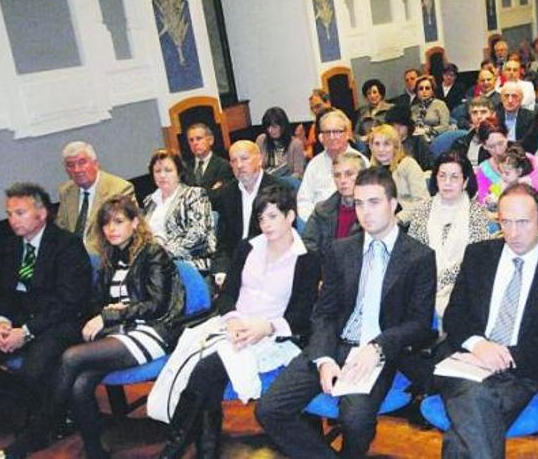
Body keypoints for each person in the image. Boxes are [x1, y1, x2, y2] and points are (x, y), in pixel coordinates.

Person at [255, 167, 436, 459]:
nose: (365, 211)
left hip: (379, 350)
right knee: (269, 409)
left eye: (374, 202)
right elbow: (324, 312)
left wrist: (378, 347)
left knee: (355, 420)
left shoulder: (419, 256)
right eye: (359, 203)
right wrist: (324, 358)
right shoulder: (341, 251)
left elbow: (420, 323)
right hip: (334, 343)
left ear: (392, 204)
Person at [0, 196, 185, 459]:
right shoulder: (111, 256)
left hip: (152, 330)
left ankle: (36, 434)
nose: (112, 229)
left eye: (119, 221)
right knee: (80, 385)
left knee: (72, 356)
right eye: (106, 223)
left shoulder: (153, 253)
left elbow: (157, 304)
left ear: (135, 222)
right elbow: (97, 302)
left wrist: (108, 316)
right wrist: (100, 316)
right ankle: (96, 452)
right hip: (118, 332)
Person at [156, 187, 321, 459]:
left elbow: (301, 315)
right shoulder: (247, 247)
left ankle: (176, 449)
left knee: (205, 370)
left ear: (290, 216)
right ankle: (202, 449)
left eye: (272, 217)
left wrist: (265, 327)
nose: (265, 225)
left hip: (272, 334)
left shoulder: (307, 259)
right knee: (192, 365)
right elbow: (228, 293)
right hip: (232, 325)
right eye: (261, 218)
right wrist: (232, 319)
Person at [436, 183, 538, 459]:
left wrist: (505, 356)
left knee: (466, 426)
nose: (513, 233)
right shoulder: (479, 255)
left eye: (523, 222)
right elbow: (455, 314)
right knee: (475, 398)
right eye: (506, 222)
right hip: (466, 361)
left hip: (523, 369)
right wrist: (479, 345)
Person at [0, 183, 92, 432]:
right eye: (9, 214)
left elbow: (70, 302)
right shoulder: (10, 246)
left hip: (58, 323)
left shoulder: (66, 245)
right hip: (19, 322)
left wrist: (27, 331)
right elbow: (1, 293)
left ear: (41, 214)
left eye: (20, 213)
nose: (12, 220)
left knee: (34, 371)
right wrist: (1, 321)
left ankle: (51, 420)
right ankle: (33, 411)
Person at [408, 151, 491, 318]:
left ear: (465, 181)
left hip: (462, 285)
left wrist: (442, 279)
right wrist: (428, 280)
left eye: (454, 177)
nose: (447, 183)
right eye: (442, 176)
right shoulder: (423, 209)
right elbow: (411, 252)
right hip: (424, 283)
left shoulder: (476, 212)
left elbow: (476, 258)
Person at [211, 141, 288, 286]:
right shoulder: (227, 193)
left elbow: (284, 241)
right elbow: (223, 244)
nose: (239, 165)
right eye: (234, 161)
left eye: (244, 158)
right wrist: (222, 274)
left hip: (269, 266)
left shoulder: (279, 190)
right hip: (235, 268)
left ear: (259, 159)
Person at [143, 149, 216, 272]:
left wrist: (164, 252)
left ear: (179, 172)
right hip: (155, 265)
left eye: (168, 170)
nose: (162, 175)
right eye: (157, 171)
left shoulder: (194, 194)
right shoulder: (149, 201)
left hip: (189, 262)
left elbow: (199, 234)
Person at [55, 141, 135, 251]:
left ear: (95, 163)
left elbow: (126, 233)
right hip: (73, 257)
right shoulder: (66, 192)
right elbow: (60, 230)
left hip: (104, 255)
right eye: (70, 165)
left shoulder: (120, 189)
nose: (77, 170)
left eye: (82, 162)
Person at [297, 109, 369, 220]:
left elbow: (369, 197)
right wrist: (315, 222)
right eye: (327, 132)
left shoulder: (360, 161)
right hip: (320, 224)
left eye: (336, 132)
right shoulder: (314, 164)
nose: (332, 137)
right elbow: (303, 200)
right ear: (321, 137)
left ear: (347, 134)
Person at [302, 153, 366, 254]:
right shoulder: (322, 210)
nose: (343, 180)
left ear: (363, 175)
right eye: (337, 175)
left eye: (349, 174)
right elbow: (308, 245)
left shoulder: (373, 210)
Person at [368, 124, 430, 223]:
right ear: (371, 147)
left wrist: (398, 219)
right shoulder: (370, 171)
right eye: (377, 144)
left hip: (406, 223)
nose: (381, 149)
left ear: (396, 146)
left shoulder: (408, 165)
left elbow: (423, 201)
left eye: (386, 144)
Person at [476, 122, 538, 206]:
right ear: (484, 146)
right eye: (491, 146)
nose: (498, 151)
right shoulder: (483, 170)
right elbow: (483, 202)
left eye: (500, 143)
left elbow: (537, 194)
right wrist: (489, 201)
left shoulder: (528, 160)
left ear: (507, 137)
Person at [255, 107, 306, 181]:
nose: (270, 130)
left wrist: (281, 181)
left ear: (283, 126)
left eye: (274, 127)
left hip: (287, 184)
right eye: (268, 127)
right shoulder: (261, 140)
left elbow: (298, 173)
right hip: (266, 183)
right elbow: (255, 165)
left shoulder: (296, 144)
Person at [182, 123, 233, 192]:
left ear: (210, 140)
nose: (195, 143)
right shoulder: (185, 168)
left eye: (199, 138)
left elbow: (222, 194)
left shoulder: (223, 165)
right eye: (191, 140)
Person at [383, 104, 432, 171]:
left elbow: (429, 166)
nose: (397, 129)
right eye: (393, 125)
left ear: (408, 125)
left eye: (401, 125)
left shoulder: (418, 141)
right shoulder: (384, 143)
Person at [411, 75, 451, 140]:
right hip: (417, 138)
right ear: (417, 92)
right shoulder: (413, 108)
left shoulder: (440, 104)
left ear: (432, 91)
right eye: (421, 88)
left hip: (436, 138)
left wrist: (426, 130)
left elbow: (445, 127)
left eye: (427, 88)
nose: (424, 91)